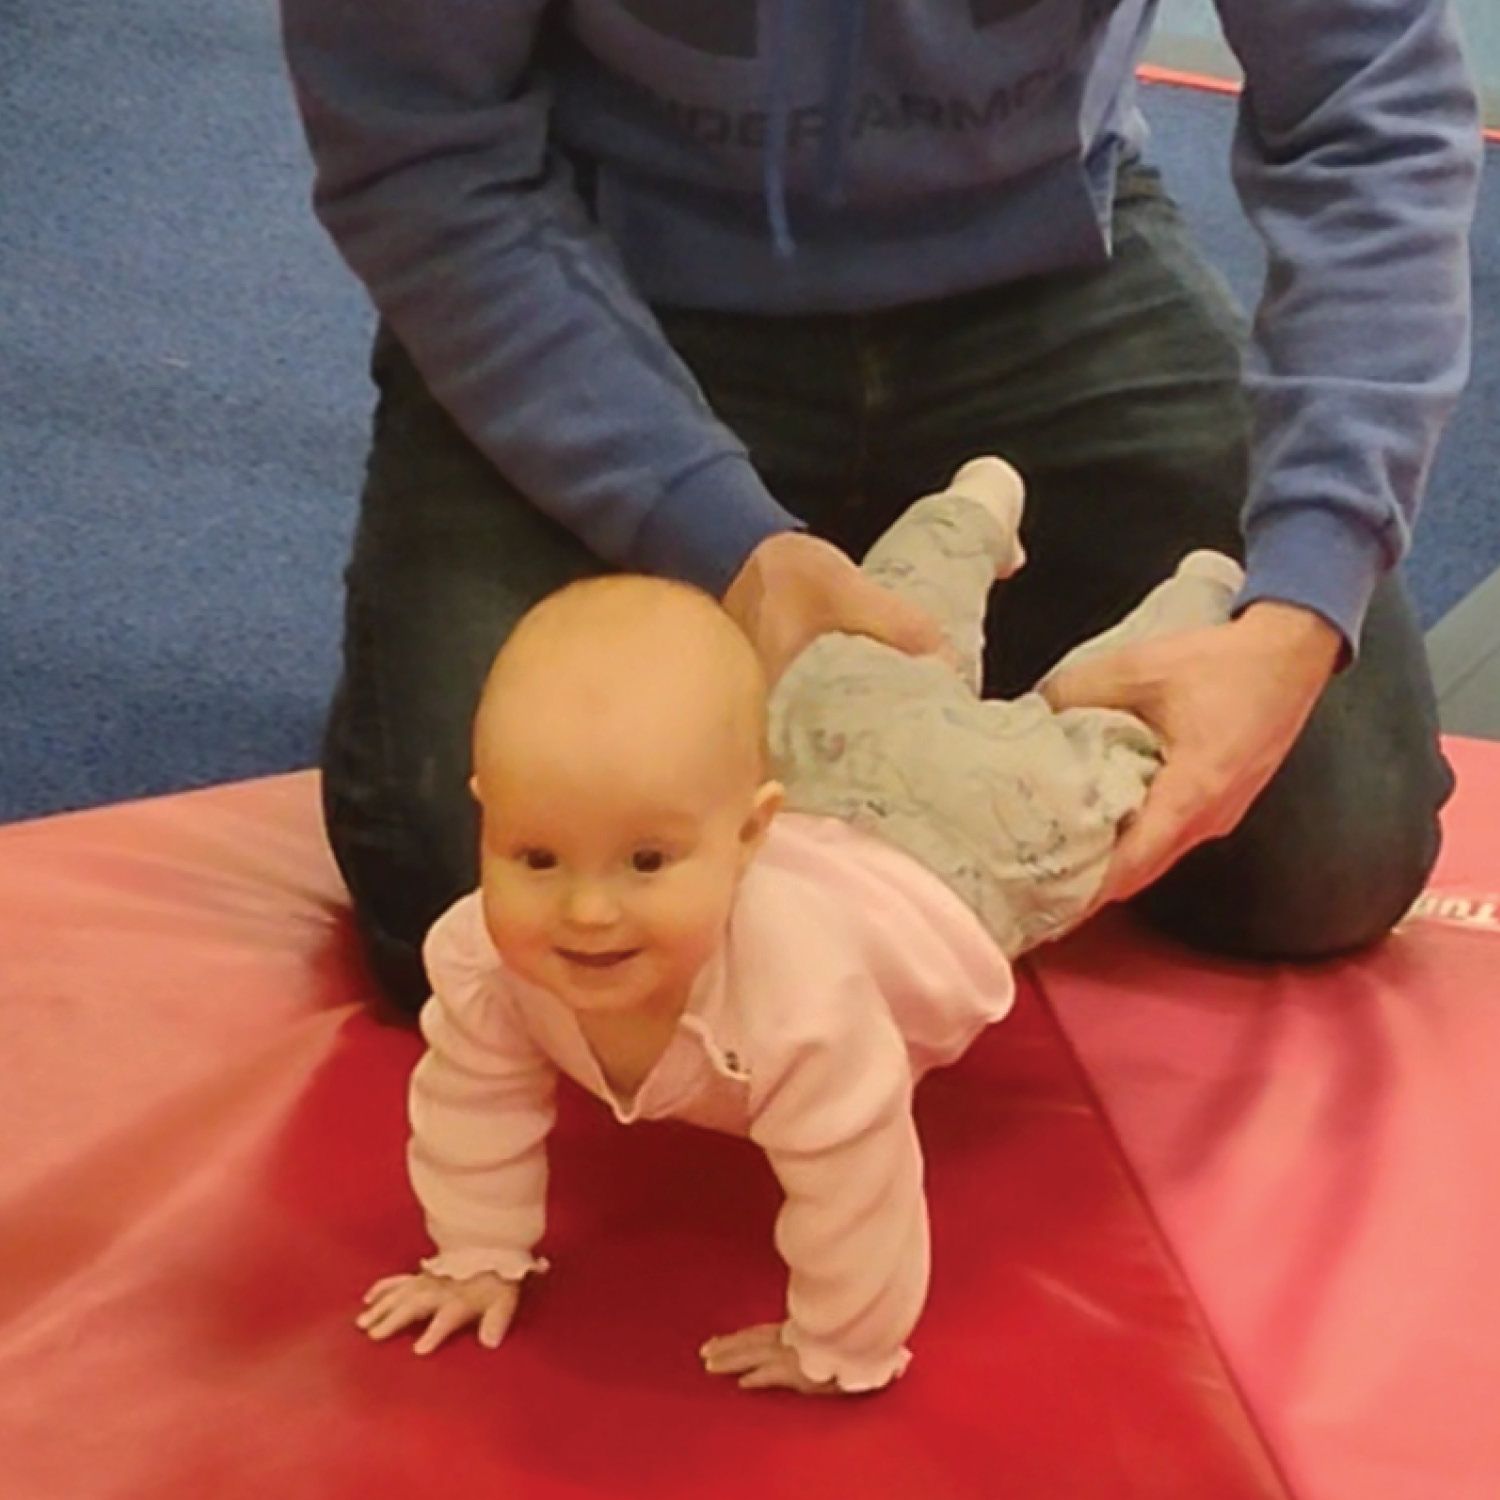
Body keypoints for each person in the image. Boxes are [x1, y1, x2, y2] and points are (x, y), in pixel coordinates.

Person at [278, 0, 1482, 1014]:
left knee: (1332, 854)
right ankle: (860, 653)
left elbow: (1367, 105)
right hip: (609, 282)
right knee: (469, 891)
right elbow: (426, 152)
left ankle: (911, 640)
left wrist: (1305, 599)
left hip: (1048, 271)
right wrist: (715, 533)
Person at [355, 457, 1244, 1392]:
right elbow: (471, 1101)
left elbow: (861, 1185)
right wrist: (478, 1251)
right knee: (867, 664)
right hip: (829, 764)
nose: (585, 911)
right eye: (535, 859)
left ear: (748, 836)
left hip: (972, 847)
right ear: (487, 818)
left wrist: (842, 1344)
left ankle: (1198, 593)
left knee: (1095, 752)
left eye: (647, 862)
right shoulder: (481, 955)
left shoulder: (800, 1006)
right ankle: (974, 507)